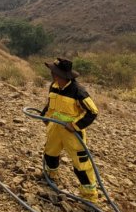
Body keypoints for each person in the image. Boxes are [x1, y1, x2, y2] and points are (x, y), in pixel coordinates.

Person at [40, 58, 100, 202]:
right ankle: (50, 175)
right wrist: (45, 116)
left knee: (81, 164)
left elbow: (92, 112)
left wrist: (74, 125)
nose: (52, 74)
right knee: (50, 153)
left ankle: (89, 196)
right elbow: (50, 104)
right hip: (55, 128)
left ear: (59, 75)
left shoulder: (78, 91)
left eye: (53, 72)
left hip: (72, 132)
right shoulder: (54, 86)